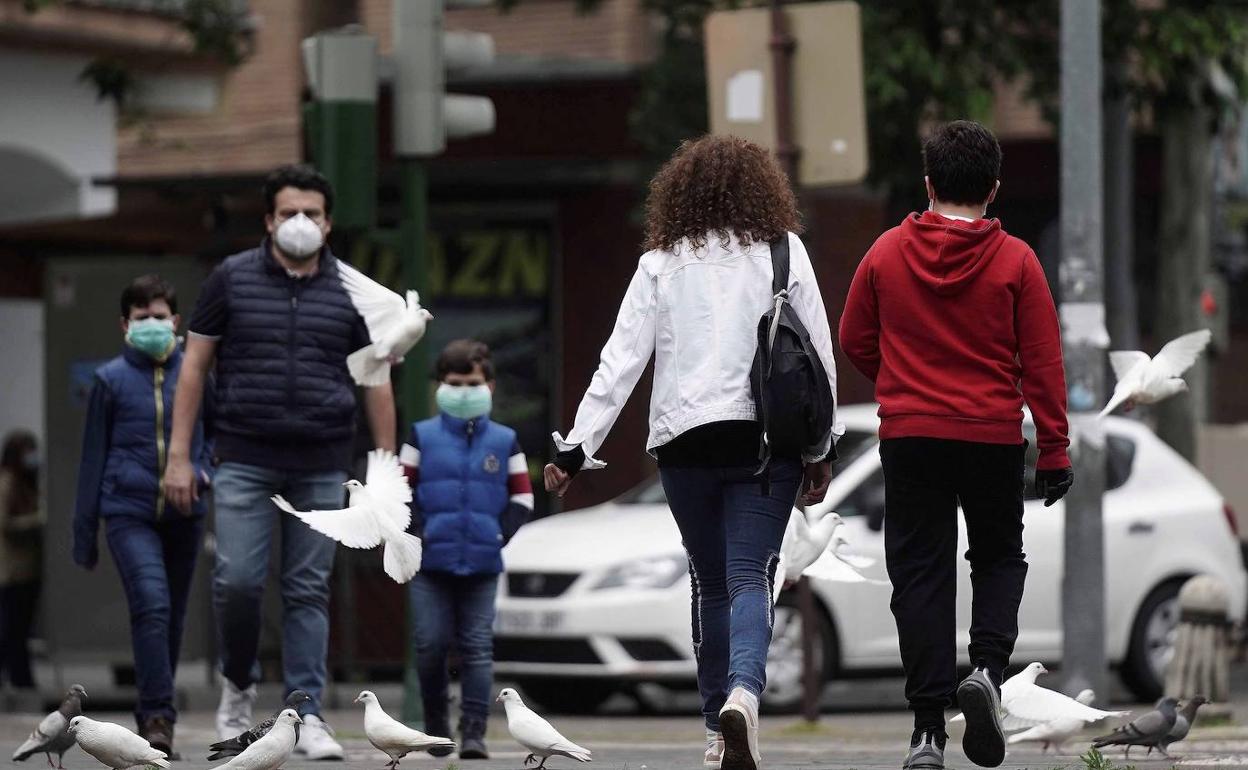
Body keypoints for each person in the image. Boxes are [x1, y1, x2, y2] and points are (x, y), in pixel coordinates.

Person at [544, 135, 840, 770]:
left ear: (679, 195)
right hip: (764, 441)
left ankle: (715, 732)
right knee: (749, 576)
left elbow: (619, 362)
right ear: (763, 189)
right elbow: (818, 357)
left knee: (708, 583)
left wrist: (575, 450)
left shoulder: (660, 263)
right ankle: (743, 694)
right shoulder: (784, 253)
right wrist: (821, 447)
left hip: (683, 443)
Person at [839, 120, 1074, 770]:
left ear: (928, 183)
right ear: (994, 189)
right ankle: (988, 676)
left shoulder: (886, 253)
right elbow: (1044, 364)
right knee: (997, 558)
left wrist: (899, 380)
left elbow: (853, 335)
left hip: (910, 437)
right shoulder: (1016, 262)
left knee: (920, 573)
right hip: (992, 435)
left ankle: (926, 734)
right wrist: (1054, 450)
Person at [162, 164, 397, 758]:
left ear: (328, 221)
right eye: (288, 212)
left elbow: (376, 379)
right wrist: (179, 457)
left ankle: (307, 714)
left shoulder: (353, 289)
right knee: (237, 580)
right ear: (268, 220)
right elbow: (193, 367)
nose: (300, 223)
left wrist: (385, 468)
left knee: (307, 589)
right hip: (242, 455)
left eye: (312, 213)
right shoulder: (230, 279)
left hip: (322, 458)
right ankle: (237, 690)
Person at [71, 276, 213, 756]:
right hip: (127, 511)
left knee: (169, 615)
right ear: (124, 325)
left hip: (185, 512)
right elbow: (92, 457)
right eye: (141, 317)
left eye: (160, 316)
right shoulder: (110, 380)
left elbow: (213, 437)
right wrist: (84, 532)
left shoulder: (195, 375)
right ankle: (157, 716)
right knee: (151, 604)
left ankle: (156, 708)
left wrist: (204, 471)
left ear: (176, 323)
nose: (152, 324)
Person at [399, 340, 532, 761]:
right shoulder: (421, 435)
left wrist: (498, 536)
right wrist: (418, 534)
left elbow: (523, 497)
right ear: (440, 385)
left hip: (482, 563)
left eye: (471, 383)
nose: (462, 390)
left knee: (477, 648)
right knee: (430, 644)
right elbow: (401, 494)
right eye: (453, 383)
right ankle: (436, 724)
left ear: (489, 386)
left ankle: (474, 731)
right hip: (429, 563)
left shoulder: (506, 440)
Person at [0, 430, 43, 691]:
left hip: (28, 570)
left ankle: (21, 678)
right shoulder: (6, 483)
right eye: (27, 451)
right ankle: (20, 679)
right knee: (12, 629)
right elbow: (4, 523)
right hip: (11, 571)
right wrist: (39, 520)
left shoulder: (27, 483)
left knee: (21, 629)